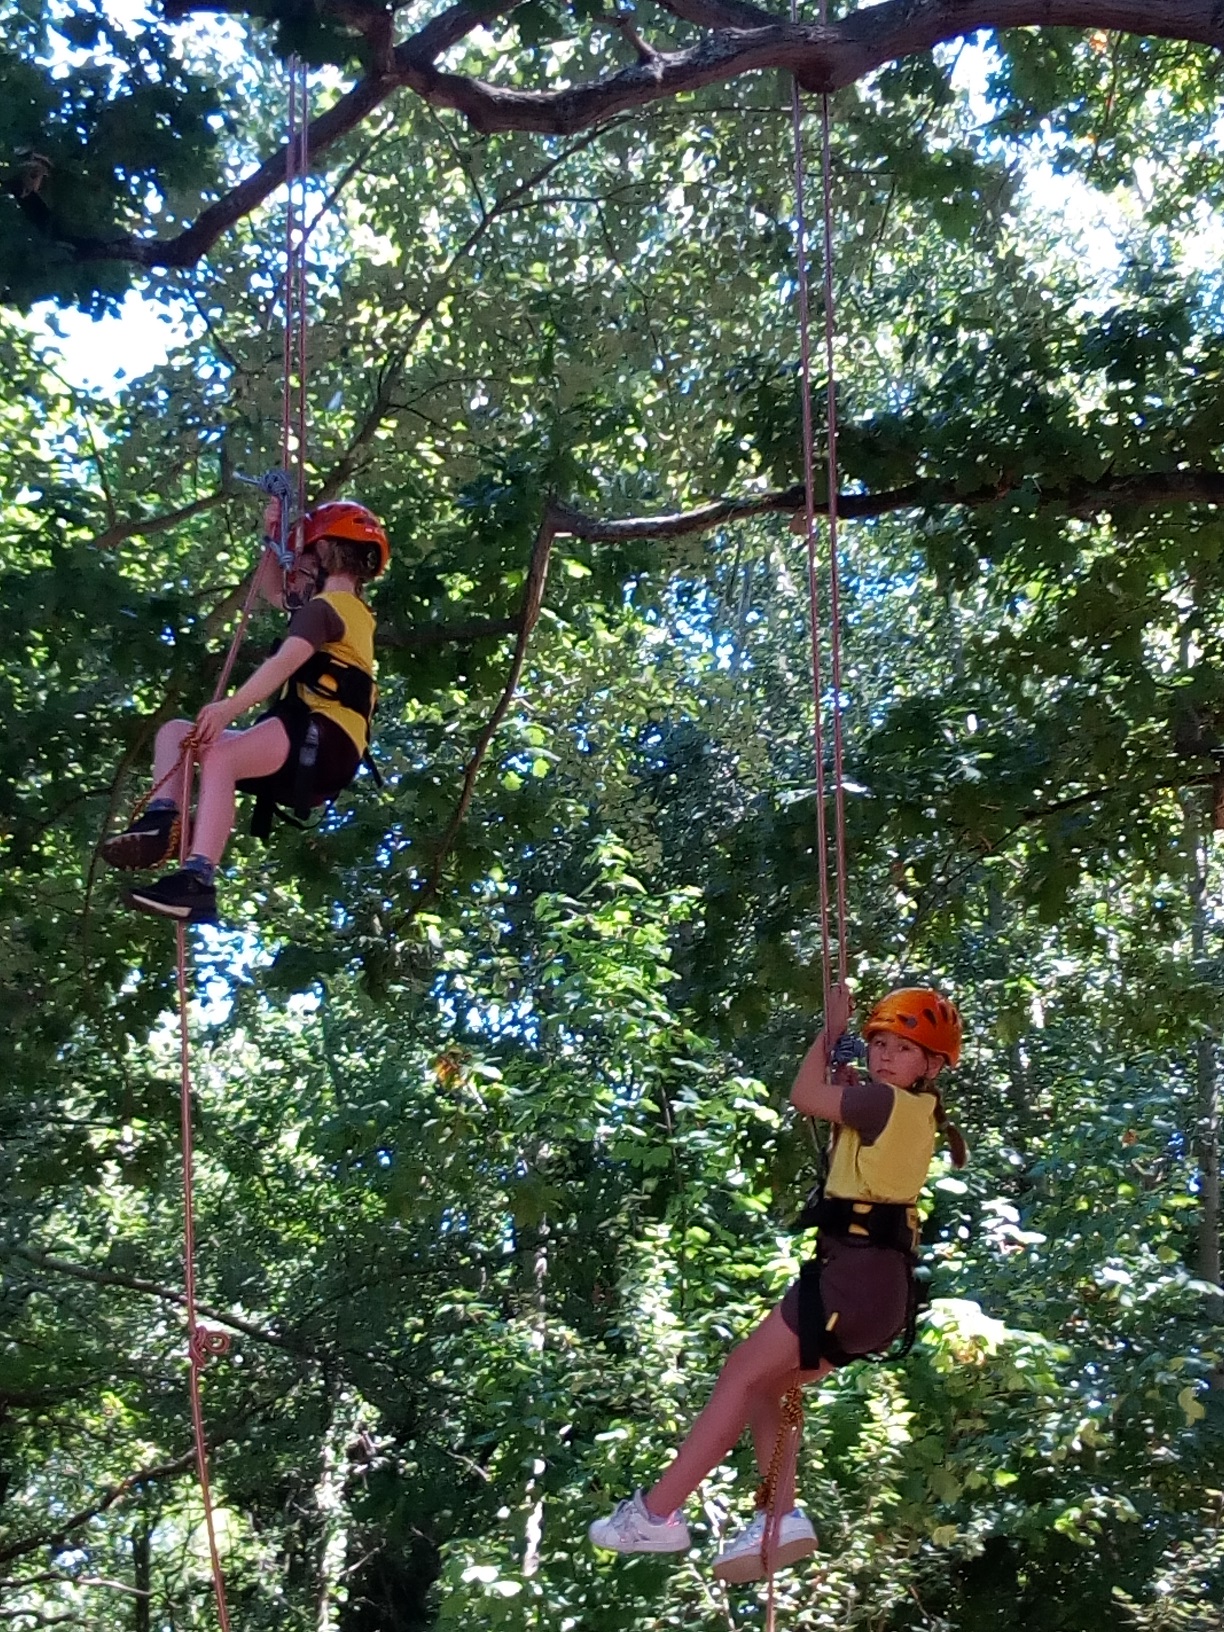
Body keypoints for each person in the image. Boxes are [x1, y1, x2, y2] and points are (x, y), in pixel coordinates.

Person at [588, 983, 966, 1583]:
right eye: (879, 1045)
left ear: (932, 1065)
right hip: (879, 1296)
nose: (886, 1056)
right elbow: (849, 1144)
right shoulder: (908, 1112)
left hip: (853, 1281)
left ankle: (656, 1515)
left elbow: (802, 1096)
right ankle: (779, 1516)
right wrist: (844, 1071)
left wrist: (830, 1029)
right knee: (770, 1388)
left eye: (903, 1049)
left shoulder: (880, 1103)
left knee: (741, 1372)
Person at [101, 499, 388, 924]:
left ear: (325, 554)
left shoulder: (326, 610)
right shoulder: (344, 611)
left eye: (304, 559)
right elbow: (273, 592)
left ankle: (198, 880)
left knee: (221, 754)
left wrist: (229, 708)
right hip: (319, 744)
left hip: (322, 739)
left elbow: (285, 662)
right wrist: (272, 537)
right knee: (177, 733)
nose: (295, 569)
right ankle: (162, 822)